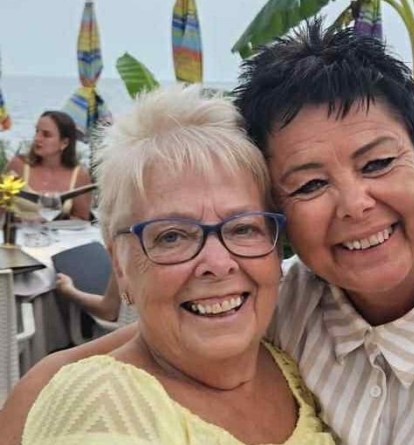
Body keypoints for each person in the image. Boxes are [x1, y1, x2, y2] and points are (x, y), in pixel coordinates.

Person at [0, 22, 414, 445]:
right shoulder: (285, 298)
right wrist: (38, 395)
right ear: (281, 215)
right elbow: (132, 354)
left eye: (378, 163)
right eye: (310, 184)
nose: (355, 204)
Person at [16, 86, 335, 445]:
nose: (218, 263)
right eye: (172, 236)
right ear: (120, 266)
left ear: (276, 251)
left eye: (243, 228)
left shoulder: (292, 364)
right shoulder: (102, 404)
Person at [5, 110, 92, 220]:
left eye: (46, 135)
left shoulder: (79, 176)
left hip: (60, 231)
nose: (37, 138)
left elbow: (82, 219)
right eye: (37, 131)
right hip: (20, 230)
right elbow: (1, 208)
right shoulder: (18, 166)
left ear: (64, 143)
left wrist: (55, 223)